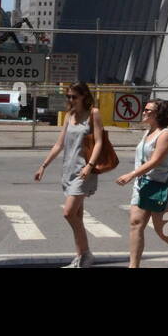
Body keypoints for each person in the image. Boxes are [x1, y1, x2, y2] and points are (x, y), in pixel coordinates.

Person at [116, 99, 168, 267]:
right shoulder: (148, 132)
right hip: (142, 184)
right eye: (145, 109)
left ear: (159, 114)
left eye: (148, 110)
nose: (144, 112)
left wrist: (131, 175)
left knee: (164, 230)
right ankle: (133, 265)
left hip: (161, 188)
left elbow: (155, 161)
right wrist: (135, 177)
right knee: (135, 224)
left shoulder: (166, 134)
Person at [34, 82, 105, 268]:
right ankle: (81, 256)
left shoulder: (93, 114)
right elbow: (59, 144)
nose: (71, 100)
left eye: (74, 96)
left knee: (68, 213)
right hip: (69, 170)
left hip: (84, 171)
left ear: (83, 96)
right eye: (69, 97)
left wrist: (89, 166)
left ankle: (86, 254)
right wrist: (44, 166)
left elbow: (99, 143)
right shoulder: (69, 116)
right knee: (77, 217)